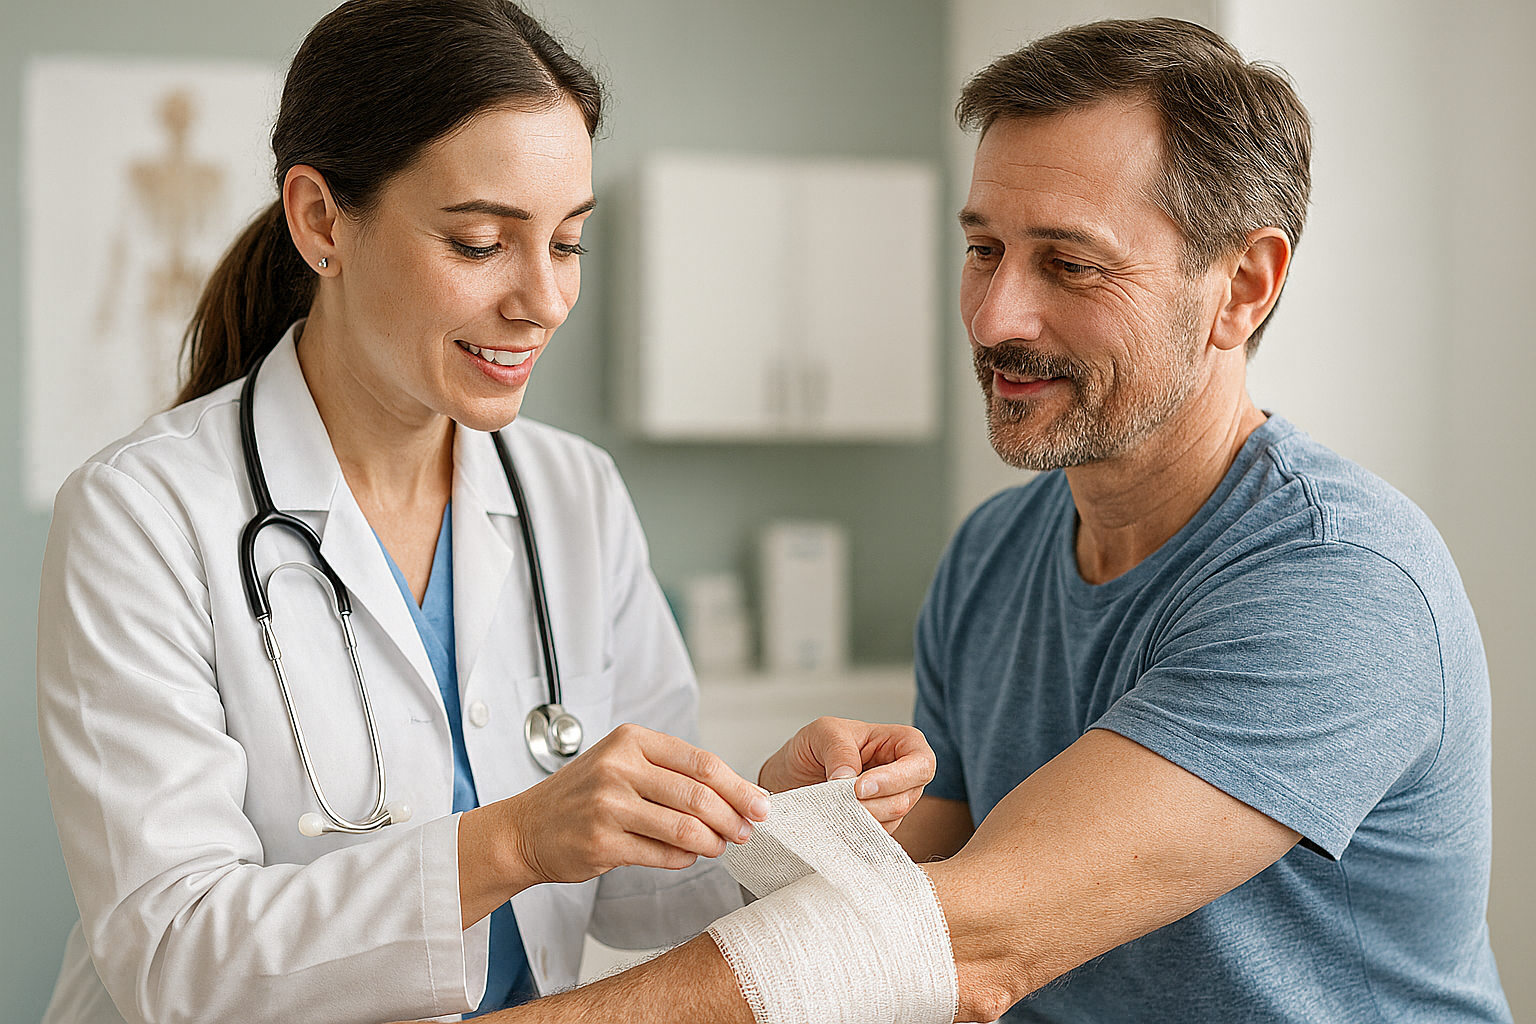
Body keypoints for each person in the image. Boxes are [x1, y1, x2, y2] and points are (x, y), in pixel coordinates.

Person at [441, 18, 1512, 1024]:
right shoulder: (994, 556)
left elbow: (965, 943)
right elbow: (913, 900)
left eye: (1070, 263)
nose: (996, 317)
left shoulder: (1338, 582)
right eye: (985, 248)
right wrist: (793, 829)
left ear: (1243, 286)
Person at [34, 3, 933, 1022]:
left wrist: (773, 814)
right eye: (479, 242)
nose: (544, 299)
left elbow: (642, 896)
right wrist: (514, 839)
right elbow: (174, 956)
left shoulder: (573, 494)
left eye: (569, 242)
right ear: (321, 219)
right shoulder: (141, 513)